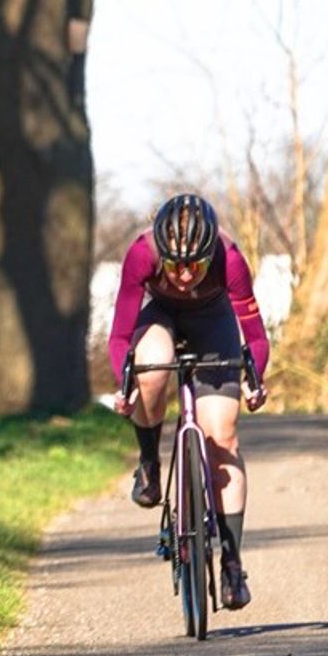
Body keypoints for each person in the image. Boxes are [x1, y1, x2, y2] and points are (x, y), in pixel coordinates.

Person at [107, 194, 269, 610]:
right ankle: (148, 463)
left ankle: (232, 563)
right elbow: (122, 335)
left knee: (223, 437)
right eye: (174, 264)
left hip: (213, 323)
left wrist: (255, 379)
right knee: (154, 369)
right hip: (158, 317)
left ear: (208, 253)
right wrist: (122, 385)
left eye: (194, 265)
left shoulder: (229, 258)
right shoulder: (142, 254)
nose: (182, 276)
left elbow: (254, 335)